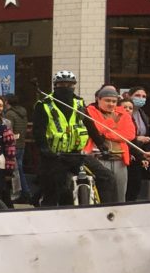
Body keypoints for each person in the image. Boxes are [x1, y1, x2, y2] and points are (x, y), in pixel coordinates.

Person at [33, 72, 117, 207]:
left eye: (70, 85)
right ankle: (48, 213)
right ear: (55, 86)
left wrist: (101, 145)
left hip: (77, 155)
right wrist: (44, 148)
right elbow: (38, 131)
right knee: (55, 187)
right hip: (55, 156)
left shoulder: (79, 104)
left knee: (107, 177)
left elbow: (90, 125)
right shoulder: (44, 105)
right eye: (62, 84)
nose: (66, 87)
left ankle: (106, 211)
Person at [85, 85, 150, 204]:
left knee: (120, 197)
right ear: (99, 100)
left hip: (120, 159)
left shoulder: (124, 114)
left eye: (114, 101)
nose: (111, 104)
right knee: (100, 196)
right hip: (99, 159)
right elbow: (96, 129)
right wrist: (115, 130)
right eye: (107, 100)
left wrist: (106, 133)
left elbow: (129, 135)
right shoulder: (90, 112)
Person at [126, 88, 150, 201]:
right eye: (137, 95)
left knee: (136, 185)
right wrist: (138, 138)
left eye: (143, 96)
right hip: (129, 153)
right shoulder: (125, 114)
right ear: (129, 96)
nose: (140, 98)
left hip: (140, 154)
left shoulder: (143, 115)